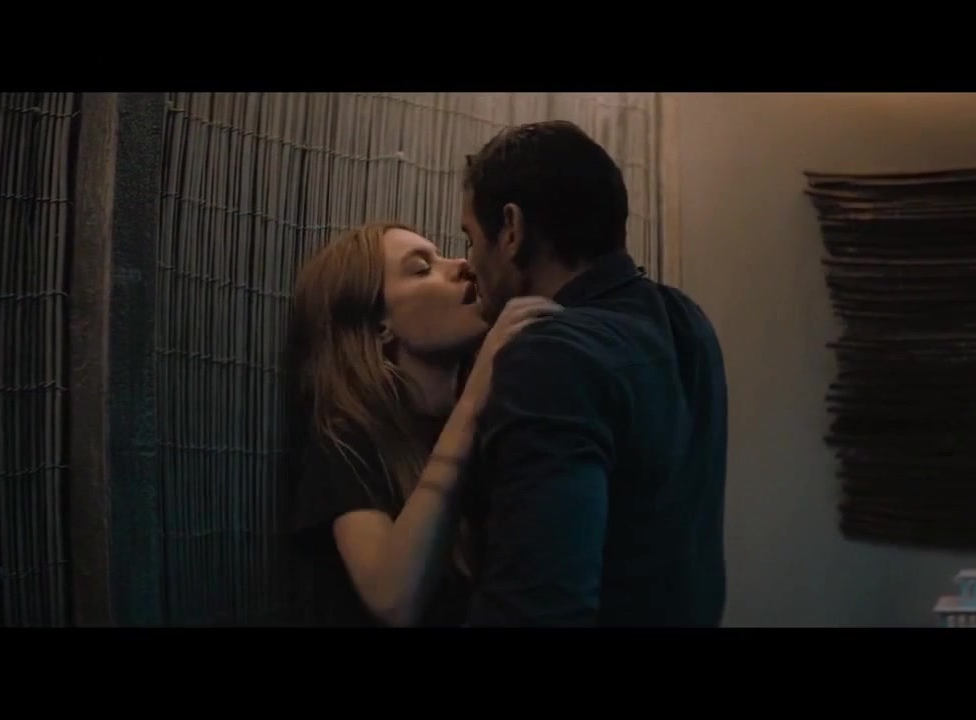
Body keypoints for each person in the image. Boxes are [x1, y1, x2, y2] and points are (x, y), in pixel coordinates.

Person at [459, 120, 729, 626]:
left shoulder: (551, 354)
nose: (468, 264)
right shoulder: (685, 319)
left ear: (511, 229)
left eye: (470, 238)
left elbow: (536, 607)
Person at [281, 221, 560, 627]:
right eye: (422, 268)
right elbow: (393, 598)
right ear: (380, 326)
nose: (462, 264)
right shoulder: (347, 443)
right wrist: (475, 396)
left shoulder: (503, 427)